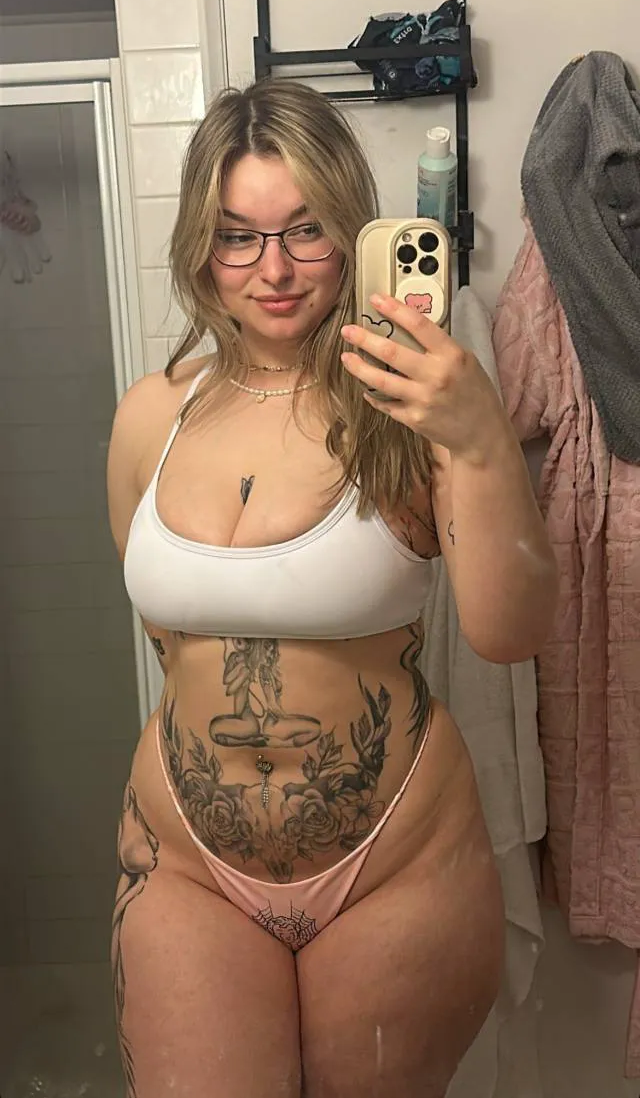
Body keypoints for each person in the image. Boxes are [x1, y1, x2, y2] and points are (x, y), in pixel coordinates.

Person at [107, 78, 558, 1098]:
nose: (272, 269)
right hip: (187, 868)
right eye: (238, 236)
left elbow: (511, 630)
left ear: (352, 229)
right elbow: (168, 641)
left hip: (394, 866)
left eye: (305, 229)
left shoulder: (412, 402)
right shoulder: (149, 416)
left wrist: (479, 437)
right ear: (200, 245)